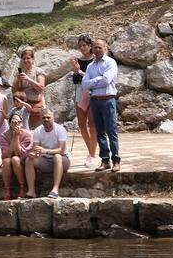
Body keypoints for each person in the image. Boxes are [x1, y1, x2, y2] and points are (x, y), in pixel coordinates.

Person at [82, 37, 120, 171]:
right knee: (100, 132)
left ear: (105, 48)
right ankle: (105, 161)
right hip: (95, 101)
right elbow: (84, 84)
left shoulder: (110, 63)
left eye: (100, 47)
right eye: (95, 47)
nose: (97, 50)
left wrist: (93, 81)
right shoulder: (90, 66)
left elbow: (106, 80)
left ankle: (116, 160)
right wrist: (97, 80)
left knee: (111, 131)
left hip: (108, 99)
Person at [25, 109, 70, 198]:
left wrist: (45, 151)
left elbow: (61, 150)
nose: (46, 119)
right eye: (43, 118)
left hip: (62, 160)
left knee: (57, 156)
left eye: (48, 117)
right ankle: (31, 191)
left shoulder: (60, 129)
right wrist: (34, 154)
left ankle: (55, 189)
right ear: (40, 119)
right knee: (29, 160)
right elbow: (36, 149)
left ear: (53, 118)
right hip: (46, 160)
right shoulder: (38, 130)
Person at [69, 34, 99, 168]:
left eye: (85, 45)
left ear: (90, 45)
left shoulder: (96, 60)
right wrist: (75, 71)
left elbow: (94, 77)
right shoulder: (78, 61)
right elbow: (75, 81)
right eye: (80, 46)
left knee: (92, 124)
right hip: (80, 92)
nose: (82, 48)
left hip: (93, 93)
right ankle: (90, 152)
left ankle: (94, 154)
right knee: (82, 124)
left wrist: (80, 72)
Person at [0, 111, 33, 199]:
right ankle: (7, 190)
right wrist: (14, 136)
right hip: (9, 159)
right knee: (6, 161)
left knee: (15, 159)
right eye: (13, 122)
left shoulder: (28, 134)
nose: (16, 124)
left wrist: (17, 136)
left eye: (18, 122)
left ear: (22, 123)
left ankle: (22, 187)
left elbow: (21, 153)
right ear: (9, 124)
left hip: (22, 160)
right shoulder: (4, 135)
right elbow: (7, 154)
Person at [12, 46, 46, 129]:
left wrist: (28, 79)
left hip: (36, 104)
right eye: (24, 59)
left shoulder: (38, 71)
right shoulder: (20, 73)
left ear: (33, 59)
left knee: (38, 131)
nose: (26, 60)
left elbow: (41, 88)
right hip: (23, 106)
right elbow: (14, 91)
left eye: (28, 58)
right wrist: (18, 81)